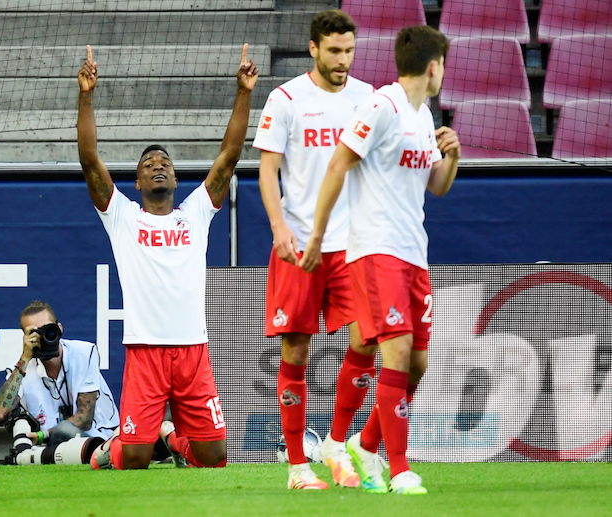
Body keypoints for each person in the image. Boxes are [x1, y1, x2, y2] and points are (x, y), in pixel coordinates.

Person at [76, 44, 258, 469]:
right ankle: (108, 451)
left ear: (175, 178)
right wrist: (86, 95)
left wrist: (244, 91)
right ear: (137, 182)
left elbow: (230, 156)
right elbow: (89, 160)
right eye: (148, 164)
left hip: (193, 351)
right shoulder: (121, 216)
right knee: (134, 459)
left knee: (215, 458)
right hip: (145, 354)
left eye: (165, 162)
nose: (158, 165)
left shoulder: (195, 212)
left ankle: (173, 440)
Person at [300, 25, 461, 494]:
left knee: (417, 364)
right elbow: (337, 164)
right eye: (443, 66)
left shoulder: (424, 115)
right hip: (375, 250)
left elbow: (438, 185)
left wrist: (452, 156)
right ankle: (400, 466)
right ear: (433, 67)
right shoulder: (382, 105)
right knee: (397, 351)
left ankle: (364, 445)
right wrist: (316, 234)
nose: (443, 74)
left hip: (415, 254)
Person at [252, 9, 375, 490]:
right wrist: (278, 225)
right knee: (297, 350)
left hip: (353, 244)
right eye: (334, 51)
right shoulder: (285, 100)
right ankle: (297, 467)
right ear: (313, 49)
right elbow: (267, 171)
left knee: (367, 338)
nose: (343, 60)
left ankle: (337, 442)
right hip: (299, 243)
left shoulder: (368, 99)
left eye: (349, 51)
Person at [0, 300, 120, 466]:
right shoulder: (21, 369)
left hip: (99, 438)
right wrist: (24, 359)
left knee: (64, 432)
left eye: (48, 330)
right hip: (55, 449)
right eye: (34, 333)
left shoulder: (84, 352)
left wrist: (41, 435)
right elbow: (1, 412)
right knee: (19, 416)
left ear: (59, 328)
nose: (42, 337)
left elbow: (84, 419)